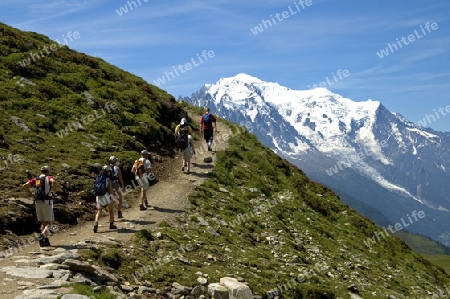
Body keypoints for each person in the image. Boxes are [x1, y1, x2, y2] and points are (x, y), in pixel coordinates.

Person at [22, 165, 56, 247]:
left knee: (43, 222)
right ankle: (42, 236)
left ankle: (45, 241)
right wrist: (54, 190)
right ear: (48, 171)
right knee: (50, 223)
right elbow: (53, 182)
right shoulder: (48, 178)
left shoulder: (36, 179)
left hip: (37, 201)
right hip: (47, 201)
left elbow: (24, 186)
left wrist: (31, 194)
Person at [93, 164, 117, 233]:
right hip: (106, 196)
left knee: (99, 211)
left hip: (98, 196)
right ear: (107, 171)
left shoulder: (98, 177)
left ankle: (96, 222)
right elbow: (110, 190)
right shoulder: (108, 179)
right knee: (111, 210)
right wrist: (112, 197)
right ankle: (111, 224)